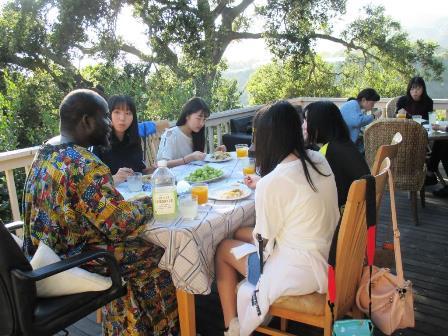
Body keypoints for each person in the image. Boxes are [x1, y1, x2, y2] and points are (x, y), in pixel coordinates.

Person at [22, 89, 178, 335]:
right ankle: (157, 329)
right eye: (105, 116)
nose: (109, 124)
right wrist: (157, 200)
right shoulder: (83, 163)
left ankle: (127, 325)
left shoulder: (45, 153)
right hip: (74, 261)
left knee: (133, 250)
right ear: (86, 121)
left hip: (43, 257)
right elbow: (120, 223)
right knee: (161, 252)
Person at [215, 101, 339, 336]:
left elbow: (265, 245)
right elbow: (296, 190)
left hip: (298, 272)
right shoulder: (318, 160)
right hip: (328, 254)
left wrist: (263, 191)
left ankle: (232, 327)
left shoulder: (274, 182)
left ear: (266, 139)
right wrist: (263, 187)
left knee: (223, 247)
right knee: (239, 232)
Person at [304, 101, 371, 208]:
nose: (303, 126)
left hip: (345, 216)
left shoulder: (330, 152)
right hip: (360, 212)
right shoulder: (344, 144)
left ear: (320, 124)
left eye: (306, 120)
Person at [93, 95, 151, 185]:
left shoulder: (134, 139)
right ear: (108, 114)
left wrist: (156, 169)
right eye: (117, 112)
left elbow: (139, 170)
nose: (122, 118)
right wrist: (114, 178)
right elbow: (90, 182)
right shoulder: (97, 142)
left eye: (128, 113)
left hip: (135, 193)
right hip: (109, 196)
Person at [157, 97, 225, 167]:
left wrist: (215, 154)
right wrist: (188, 159)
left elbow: (199, 161)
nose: (202, 123)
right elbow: (161, 164)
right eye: (198, 118)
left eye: (204, 119)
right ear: (187, 115)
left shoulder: (197, 134)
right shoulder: (170, 135)